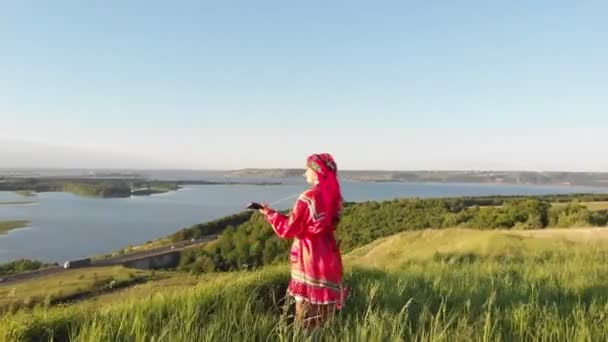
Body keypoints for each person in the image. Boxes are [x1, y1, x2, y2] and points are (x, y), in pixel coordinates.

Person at [259, 153, 346, 328]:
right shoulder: (335, 197)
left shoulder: (309, 197)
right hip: (328, 255)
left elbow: (289, 229)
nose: (305, 172)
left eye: (308, 168)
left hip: (309, 255)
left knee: (305, 314)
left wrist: (270, 214)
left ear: (316, 171)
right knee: (324, 314)